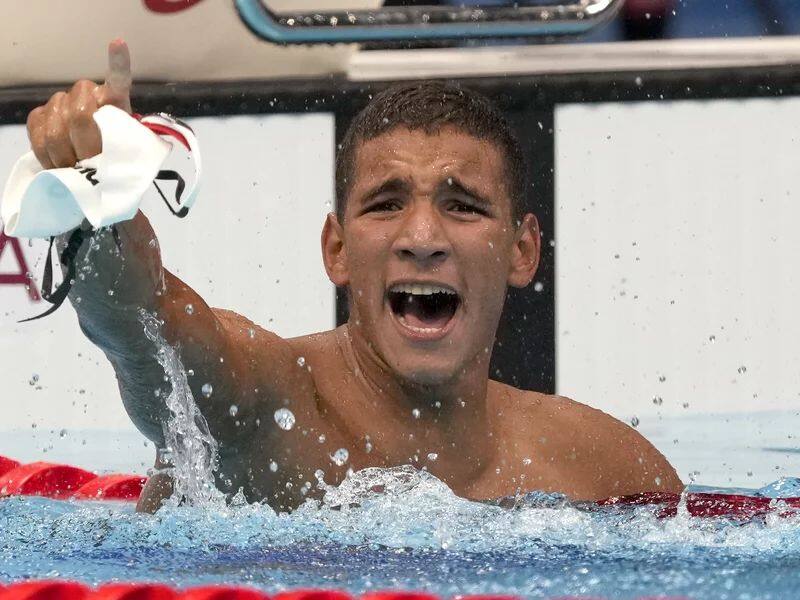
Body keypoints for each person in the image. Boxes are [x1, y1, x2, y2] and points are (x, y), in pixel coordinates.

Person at [23, 40, 682, 513]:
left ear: (522, 251)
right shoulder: (265, 410)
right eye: (386, 203)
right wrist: (97, 202)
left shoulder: (606, 468)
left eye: (462, 206)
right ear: (336, 249)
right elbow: (143, 326)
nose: (422, 239)